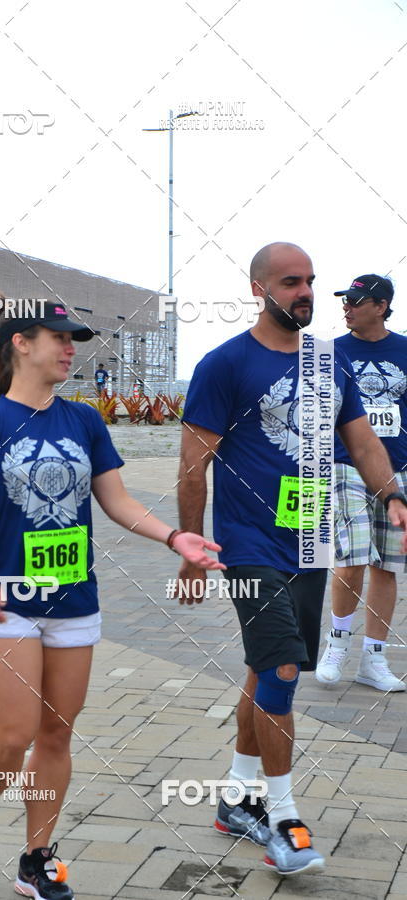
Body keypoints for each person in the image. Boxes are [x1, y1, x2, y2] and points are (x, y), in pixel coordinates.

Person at [0, 297, 224, 898]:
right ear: (21, 342)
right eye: (60, 337)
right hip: (11, 600)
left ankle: (36, 857)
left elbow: (116, 501)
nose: (72, 347)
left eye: (75, 338)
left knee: (56, 736)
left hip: (75, 602)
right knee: (14, 735)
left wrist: (176, 536)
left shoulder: (85, 421)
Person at [176, 243, 407, 876]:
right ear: (258, 288)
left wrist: (392, 496)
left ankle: (236, 796)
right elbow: (193, 463)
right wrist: (192, 545)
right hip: (248, 547)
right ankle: (282, 819)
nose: (305, 292)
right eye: (290, 282)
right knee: (279, 671)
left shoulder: (329, 365)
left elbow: (362, 443)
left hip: (308, 543)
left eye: (310, 281)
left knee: (265, 671)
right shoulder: (226, 364)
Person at [316, 274, 407, 692]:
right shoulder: (329, 353)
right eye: (345, 300)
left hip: (398, 472)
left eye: (356, 299)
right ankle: (336, 644)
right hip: (343, 465)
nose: (346, 306)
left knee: (387, 566)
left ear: (382, 305)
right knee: (350, 557)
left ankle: (373, 658)